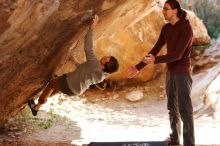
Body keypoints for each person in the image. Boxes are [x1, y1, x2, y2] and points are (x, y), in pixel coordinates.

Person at [128, 0, 195, 146]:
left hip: (183, 73)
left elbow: (177, 55)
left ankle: (189, 143)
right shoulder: (166, 28)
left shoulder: (186, 28)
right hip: (170, 72)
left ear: (175, 11)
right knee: (172, 107)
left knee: (185, 109)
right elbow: (155, 49)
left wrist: (156, 60)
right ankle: (175, 139)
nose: (163, 11)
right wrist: (138, 67)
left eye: (166, 9)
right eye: (163, 9)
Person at [28, 15, 119, 116]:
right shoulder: (102, 75)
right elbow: (85, 72)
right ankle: (41, 100)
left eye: (106, 58)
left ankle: (36, 107)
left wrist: (91, 28)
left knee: (51, 84)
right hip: (75, 90)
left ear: (104, 65)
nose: (105, 56)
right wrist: (75, 62)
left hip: (68, 84)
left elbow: (88, 48)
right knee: (56, 86)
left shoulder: (95, 64)